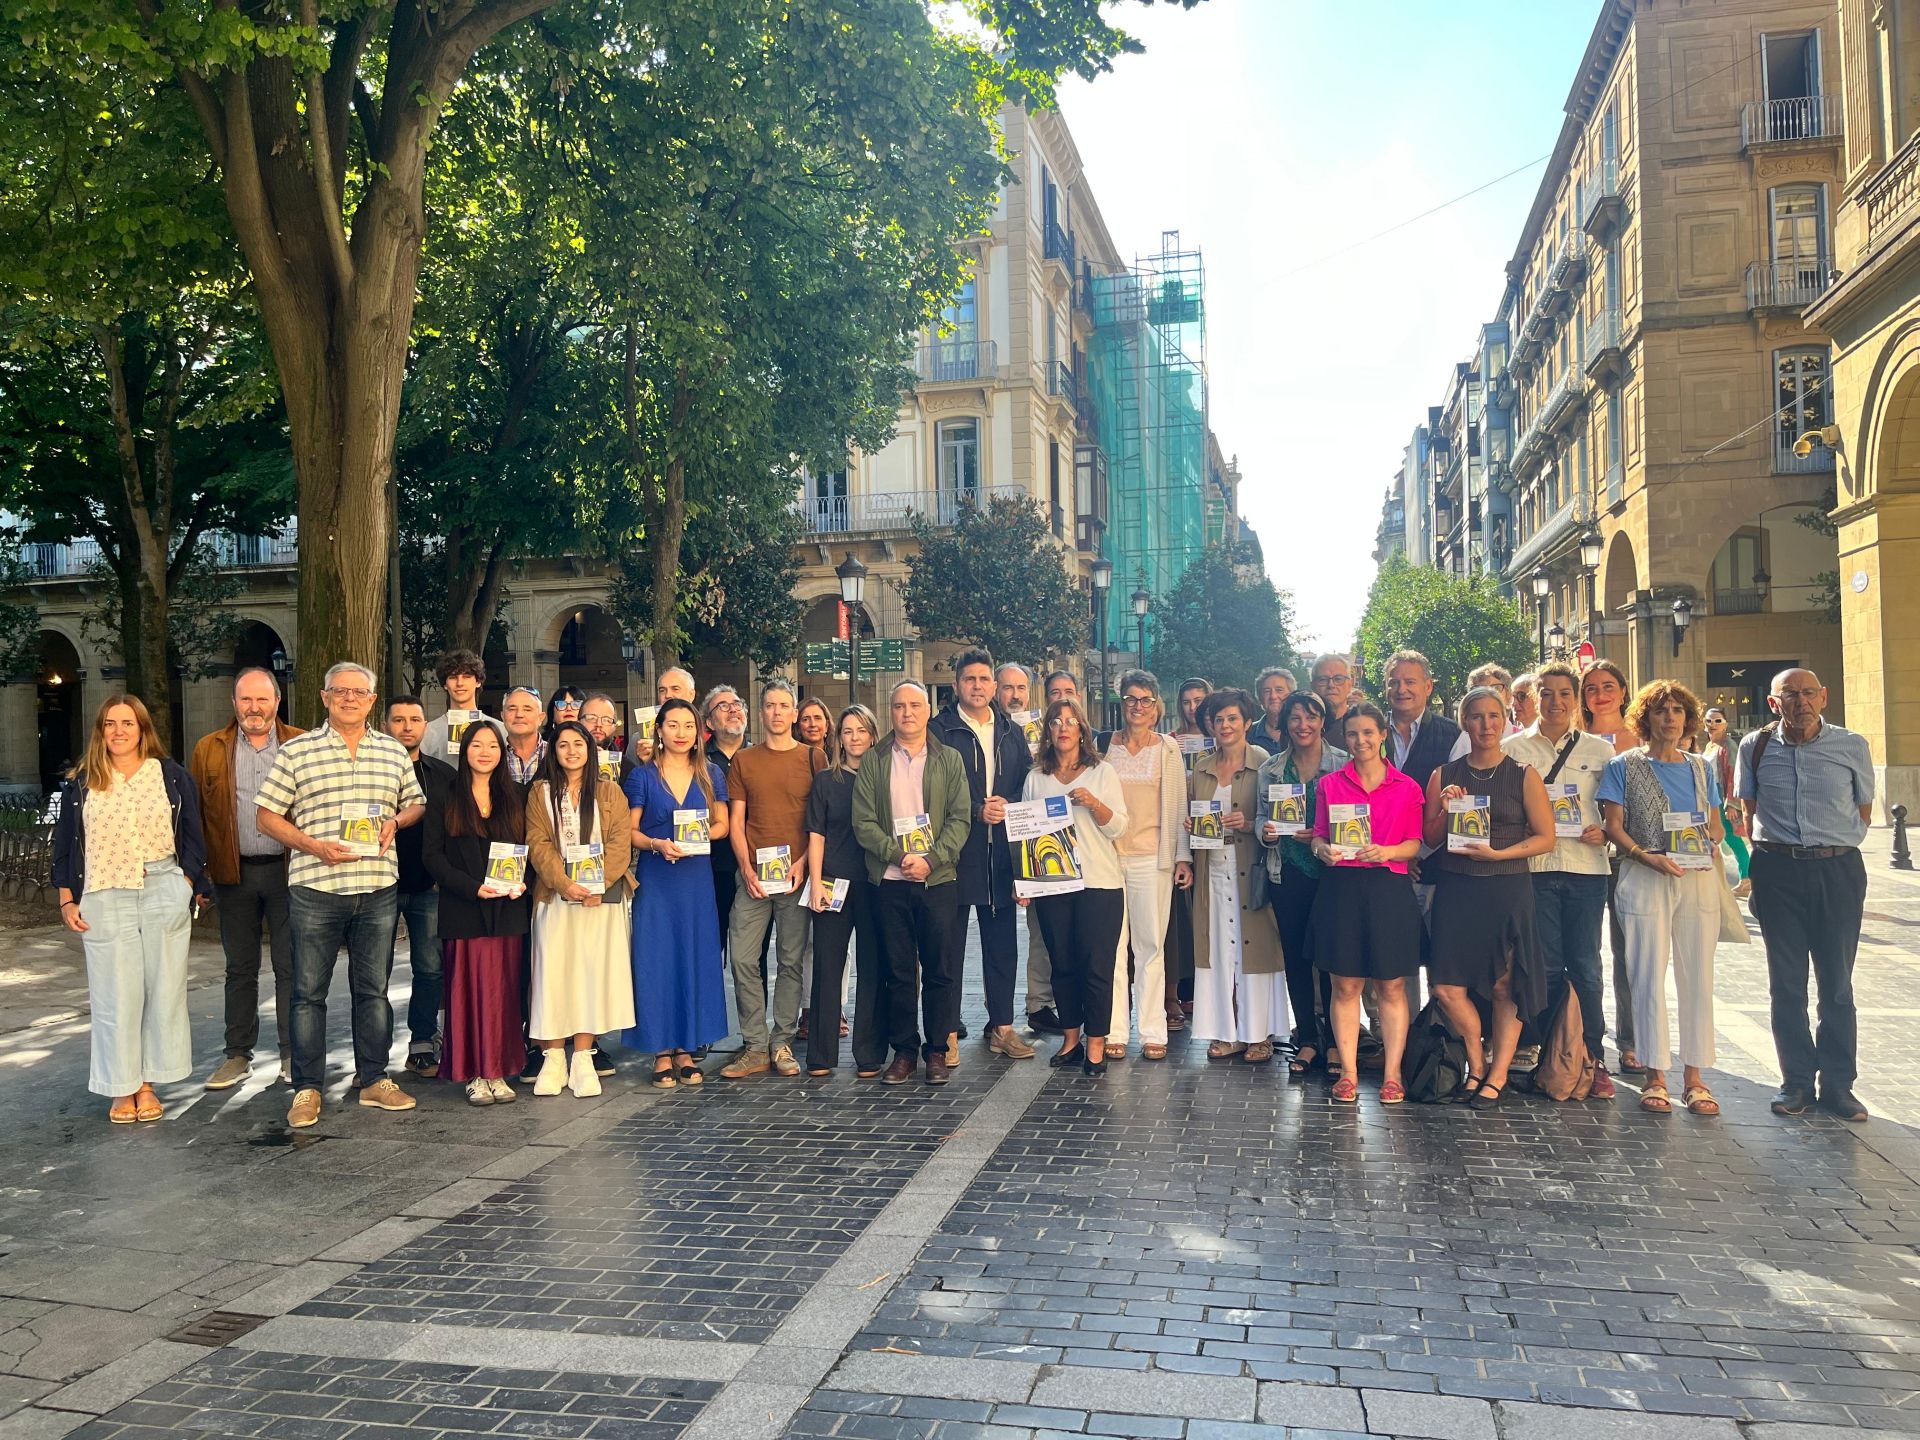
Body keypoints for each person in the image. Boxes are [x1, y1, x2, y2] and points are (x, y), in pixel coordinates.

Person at [256, 662, 426, 1129]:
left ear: (372, 700)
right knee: (308, 994)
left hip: (376, 887)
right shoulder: (297, 752)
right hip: (316, 886)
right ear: (324, 697)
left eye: (359, 692)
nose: (349, 698)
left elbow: (415, 803)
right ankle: (307, 1088)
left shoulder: (392, 751)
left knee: (373, 991)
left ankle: (373, 1079)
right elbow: (265, 816)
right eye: (340, 691)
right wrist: (312, 845)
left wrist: (396, 821)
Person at [53, 695, 213, 1123]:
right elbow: (65, 843)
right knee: (114, 996)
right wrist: (67, 897)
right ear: (100, 731)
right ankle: (121, 1087)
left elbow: (195, 835)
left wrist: (186, 883)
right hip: (104, 893)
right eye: (110, 724)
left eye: (127, 723)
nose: (118, 731)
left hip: (162, 886)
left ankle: (148, 1083)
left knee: (163, 991)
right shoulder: (83, 782)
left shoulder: (170, 776)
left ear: (143, 728)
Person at [1736, 668, 1874, 1122]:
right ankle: (1796, 1082)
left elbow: (1864, 809)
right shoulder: (1754, 747)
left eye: (1809, 693)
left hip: (1837, 870)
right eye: (1789, 695)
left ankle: (1838, 1086)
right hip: (1778, 871)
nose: (1801, 702)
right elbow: (1748, 809)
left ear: (1824, 697)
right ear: (1774, 703)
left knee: (1837, 985)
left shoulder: (1851, 746)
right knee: (1786, 985)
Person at [1423, 687, 1556, 1110]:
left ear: (1504, 721)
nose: (1485, 725)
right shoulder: (1444, 774)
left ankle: (1496, 1075)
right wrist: (1445, 810)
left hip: (1506, 886)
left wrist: (1501, 853)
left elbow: (1545, 838)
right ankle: (1477, 1061)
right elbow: (1428, 839)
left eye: (1493, 716)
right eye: (1476, 717)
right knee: (1445, 985)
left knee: (1504, 985)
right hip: (1458, 889)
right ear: (1465, 723)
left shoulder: (1523, 774)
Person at [1598, 680, 1725, 1117]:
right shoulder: (1623, 766)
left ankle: (1695, 1078)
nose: (1669, 718)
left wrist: (1711, 839)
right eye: (1660, 710)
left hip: (1695, 877)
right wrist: (1643, 856)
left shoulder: (1700, 767)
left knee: (1697, 976)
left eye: (1676, 710)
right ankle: (1655, 1075)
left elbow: (1716, 822)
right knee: (1646, 973)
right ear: (1645, 719)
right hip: (1643, 874)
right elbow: (1613, 825)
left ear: (1687, 718)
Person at [1503, 662, 1617, 1098]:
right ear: (1534, 697)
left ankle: (1593, 1055)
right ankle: (1550, 1053)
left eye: (1565, 694)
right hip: (1535, 870)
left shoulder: (1601, 751)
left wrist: (1605, 832)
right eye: (1546, 694)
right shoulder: (1514, 750)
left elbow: (1615, 814)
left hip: (1587, 869)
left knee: (1586, 966)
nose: (1555, 702)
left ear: (1576, 699)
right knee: (1546, 967)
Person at [853, 681, 970, 1085]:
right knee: (899, 971)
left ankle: (937, 1049)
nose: (907, 713)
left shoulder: (949, 759)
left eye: (915, 705)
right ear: (891, 712)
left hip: (937, 880)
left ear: (927, 710)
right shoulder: (873, 760)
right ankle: (904, 1050)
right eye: (899, 706)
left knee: (939, 969)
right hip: (890, 880)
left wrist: (931, 859)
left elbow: (960, 819)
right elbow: (863, 822)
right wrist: (899, 856)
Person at [1309, 701, 1426, 1104]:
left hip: (1387, 890)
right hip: (1342, 889)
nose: (1360, 740)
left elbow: (1415, 843)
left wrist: (1390, 851)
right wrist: (1322, 850)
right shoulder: (1329, 785)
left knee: (1391, 985)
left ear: (1382, 736)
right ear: (1345, 738)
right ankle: (1349, 1072)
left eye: (1368, 733)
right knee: (1345, 985)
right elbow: (1320, 834)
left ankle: (1393, 1073)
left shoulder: (1407, 787)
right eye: (1353, 733)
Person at [191, 668, 302, 1090]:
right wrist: (200, 873)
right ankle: (237, 1055)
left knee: (291, 967)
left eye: (262, 700)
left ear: (277, 701)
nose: (253, 708)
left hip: (289, 872)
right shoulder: (209, 749)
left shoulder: (301, 743)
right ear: (233, 703)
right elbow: (200, 814)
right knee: (240, 968)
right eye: (245, 700)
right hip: (233, 874)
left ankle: (293, 1054)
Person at [930, 648, 1034, 1063]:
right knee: (948, 946)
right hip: (957, 854)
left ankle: (1002, 1027)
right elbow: (932, 789)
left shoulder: (1011, 731)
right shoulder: (940, 730)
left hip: (1002, 857)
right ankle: (948, 1031)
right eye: (969, 679)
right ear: (956, 685)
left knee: (1002, 945)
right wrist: (977, 809)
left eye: (984, 679)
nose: (977, 686)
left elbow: (1026, 784)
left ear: (994, 686)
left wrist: (1006, 806)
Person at [1016, 697, 1129, 1075]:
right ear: (1047, 731)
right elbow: (1027, 836)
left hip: (1099, 884)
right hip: (1053, 886)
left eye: (1071, 721)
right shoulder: (1036, 778)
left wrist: (1095, 804)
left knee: (1096, 967)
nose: (1063, 728)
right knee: (1061, 965)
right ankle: (1070, 1039)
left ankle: (1096, 1044)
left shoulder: (1102, 772)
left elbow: (1119, 828)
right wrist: (1025, 884)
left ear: (1083, 729)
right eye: (1055, 722)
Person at [624, 697, 732, 1085]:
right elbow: (630, 832)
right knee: (657, 960)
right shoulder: (642, 776)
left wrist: (705, 835)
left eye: (688, 725)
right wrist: (657, 844)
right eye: (673, 725)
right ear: (659, 729)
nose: (681, 733)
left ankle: (686, 1047)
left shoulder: (711, 773)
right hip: (658, 878)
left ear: (698, 731)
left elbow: (723, 823)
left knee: (693, 957)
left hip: (696, 879)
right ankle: (660, 1050)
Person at [1174, 688, 1284, 1063]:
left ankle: (1258, 1034)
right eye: (1218, 719)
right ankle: (1227, 1030)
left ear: (1247, 722)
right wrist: (1191, 827)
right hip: (1212, 870)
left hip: (1249, 870)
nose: (1225, 725)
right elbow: (1191, 818)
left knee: (1253, 950)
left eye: (1232, 718)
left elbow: (1276, 818)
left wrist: (1250, 822)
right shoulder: (1201, 769)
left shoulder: (1264, 763)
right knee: (1218, 949)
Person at [526, 721, 635, 1094]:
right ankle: (554, 1056)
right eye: (563, 745)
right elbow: (538, 843)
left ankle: (584, 1056)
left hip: (598, 902)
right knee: (553, 973)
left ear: (590, 750)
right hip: (556, 897)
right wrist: (566, 884)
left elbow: (621, 843)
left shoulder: (609, 792)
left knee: (591, 974)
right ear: (553, 752)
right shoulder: (540, 794)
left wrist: (595, 884)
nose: (571, 751)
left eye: (578, 744)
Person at [719, 680, 821, 1079]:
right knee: (743, 958)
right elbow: (737, 822)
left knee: (791, 961)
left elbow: (818, 821)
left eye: (784, 706)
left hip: (795, 878)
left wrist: (803, 864)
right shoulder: (744, 761)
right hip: (755, 879)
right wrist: (745, 868)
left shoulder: (813, 759)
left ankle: (782, 1042)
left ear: (794, 713)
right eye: (770, 706)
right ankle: (755, 1045)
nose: (777, 712)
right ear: (760, 714)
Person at [424, 723, 530, 1106]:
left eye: (492, 746)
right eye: (476, 745)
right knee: (468, 993)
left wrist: (522, 883)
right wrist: (471, 888)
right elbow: (432, 856)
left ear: (502, 752)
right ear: (464, 750)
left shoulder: (515, 795)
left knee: (504, 992)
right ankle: (473, 1072)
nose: (484, 752)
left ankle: (500, 1069)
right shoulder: (446, 795)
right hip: (464, 909)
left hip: (508, 909)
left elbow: (529, 850)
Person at [1256, 689, 1347, 1075]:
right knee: (1296, 957)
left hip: (1332, 874)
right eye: (1295, 718)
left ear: (1323, 721)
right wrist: (1268, 832)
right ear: (1286, 723)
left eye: (1311, 717)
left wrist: (1325, 834)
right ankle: (1307, 1038)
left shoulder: (1343, 764)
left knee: (1331, 959)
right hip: (1286, 871)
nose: (1303, 725)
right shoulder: (1272, 769)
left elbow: (1359, 820)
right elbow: (1260, 816)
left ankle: (1336, 1042)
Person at [1105, 671, 1185, 1061]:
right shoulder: (1105, 746)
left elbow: (1179, 807)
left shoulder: (1168, 749)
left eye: (1146, 699)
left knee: (1151, 946)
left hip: (1153, 860)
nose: (1138, 706)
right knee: (1112, 948)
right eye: (1131, 699)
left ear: (1156, 707)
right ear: (1121, 704)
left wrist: (1181, 856)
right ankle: (1115, 1028)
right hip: (1107, 859)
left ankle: (1152, 1029)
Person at [805, 705, 888, 1076]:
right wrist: (815, 884)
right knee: (827, 966)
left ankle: (869, 1053)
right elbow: (816, 835)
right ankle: (821, 1055)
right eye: (847, 731)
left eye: (861, 730)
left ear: (872, 734)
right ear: (838, 738)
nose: (854, 737)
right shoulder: (826, 781)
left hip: (874, 884)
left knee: (872, 966)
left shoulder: (884, 778)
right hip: (832, 884)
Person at [385, 694, 455, 1080]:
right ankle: (374, 1052)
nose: (406, 726)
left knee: (430, 968)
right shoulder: (372, 771)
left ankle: (423, 1043)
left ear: (425, 727)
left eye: (414, 719)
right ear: (385, 726)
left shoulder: (443, 775)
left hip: (428, 886)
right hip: (381, 884)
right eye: (398, 720)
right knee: (374, 973)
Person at [1580, 659, 1643, 1072]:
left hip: (1628, 857)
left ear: (1623, 691)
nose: (1600, 695)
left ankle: (1632, 1039)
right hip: (1582, 855)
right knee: (1586, 954)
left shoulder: (1640, 739)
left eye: (1608, 686)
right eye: (1591, 688)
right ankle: (1585, 1037)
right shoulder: (1574, 739)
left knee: (1629, 952)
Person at [1165, 676, 1212, 1031]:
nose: (1193, 707)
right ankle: (1178, 990)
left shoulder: (1220, 742)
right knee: (1180, 915)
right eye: (1187, 701)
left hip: (1213, 835)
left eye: (1199, 700)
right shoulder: (1170, 742)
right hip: (1179, 831)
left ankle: (1205, 987)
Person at [702, 685, 751, 946]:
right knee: (712, 944)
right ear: (709, 722)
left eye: (737, 704)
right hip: (712, 866)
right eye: (723, 706)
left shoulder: (760, 755)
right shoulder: (696, 759)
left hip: (754, 865)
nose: (733, 709)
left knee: (754, 954)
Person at [1383, 650, 1461, 791]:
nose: (1401, 689)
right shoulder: (1368, 733)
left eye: (1410, 682)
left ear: (1428, 687)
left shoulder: (1453, 735)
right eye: (1394, 683)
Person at [421, 648, 506, 760]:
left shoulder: (500, 730)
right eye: (453, 677)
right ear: (445, 684)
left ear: (478, 682)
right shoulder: (427, 732)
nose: (460, 683)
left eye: (467, 677)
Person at [1702, 707, 1750, 895]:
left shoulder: (1728, 745)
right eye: (1709, 721)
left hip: (1722, 798)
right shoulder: (1710, 746)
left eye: (1718, 721)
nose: (1713, 725)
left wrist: (1732, 803)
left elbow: (1734, 775)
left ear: (1726, 724)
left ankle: (1746, 877)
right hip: (1710, 798)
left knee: (1731, 837)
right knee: (1719, 838)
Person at [501, 686, 547, 787]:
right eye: (512, 709)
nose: (519, 715)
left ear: (541, 718)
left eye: (527, 709)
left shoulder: (555, 753)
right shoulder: (492, 756)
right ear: (502, 716)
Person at [1310, 655, 1357, 743]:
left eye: (1338, 679)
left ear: (1350, 684)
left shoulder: (1361, 725)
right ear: (1313, 686)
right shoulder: (1302, 728)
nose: (1331, 685)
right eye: (1323, 679)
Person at [1253, 667, 1298, 753]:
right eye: (1267, 691)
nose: (1273, 696)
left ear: (1292, 695)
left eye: (1279, 690)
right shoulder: (1247, 734)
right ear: (1259, 698)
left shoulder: (1303, 731)